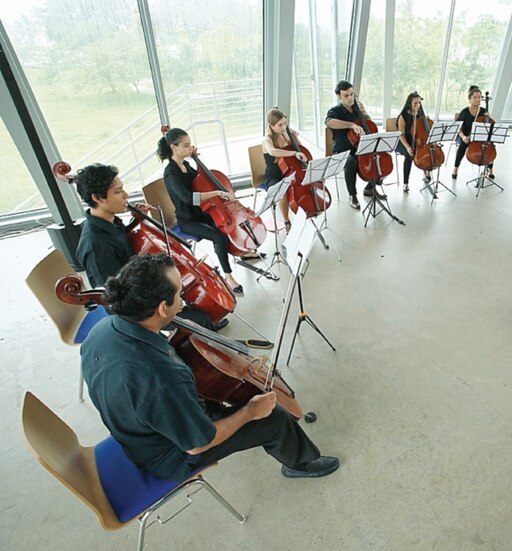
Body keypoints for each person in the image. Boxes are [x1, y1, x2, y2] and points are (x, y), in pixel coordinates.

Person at [81, 254, 339, 482]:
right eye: (179, 295)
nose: (183, 301)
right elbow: (197, 445)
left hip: (133, 426)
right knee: (274, 417)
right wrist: (250, 412)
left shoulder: (102, 329)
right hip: (169, 453)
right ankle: (301, 464)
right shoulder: (162, 377)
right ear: (161, 308)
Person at [73, 163, 271, 347]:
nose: (126, 195)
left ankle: (205, 328)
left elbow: (131, 251)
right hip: (136, 308)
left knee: (202, 311)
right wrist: (163, 303)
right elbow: (115, 301)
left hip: (143, 283)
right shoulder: (95, 245)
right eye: (118, 192)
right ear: (98, 198)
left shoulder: (111, 222)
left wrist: (138, 221)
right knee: (200, 318)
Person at [158, 128, 263, 294]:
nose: (190, 148)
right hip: (188, 220)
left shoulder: (185, 164)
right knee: (219, 237)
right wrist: (217, 193)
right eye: (186, 145)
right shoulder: (171, 174)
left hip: (201, 213)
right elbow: (188, 198)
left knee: (227, 226)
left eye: (190, 144)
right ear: (173, 147)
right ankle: (228, 277)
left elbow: (200, 181)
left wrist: (196, 160)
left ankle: (243, 251)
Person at [325, 80, 384, 210]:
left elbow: (369, 124)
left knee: (381, 159)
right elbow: (329, 122)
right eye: (346, 95)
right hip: (343, 150)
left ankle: (370, 188)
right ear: (338, 96)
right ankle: (352, 196)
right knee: (351, 161)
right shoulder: (335, 111)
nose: (350, 98)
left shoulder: (357, 109)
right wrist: (351, 125)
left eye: (351, 94)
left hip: (360, 147)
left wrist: (364, 113)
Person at [261, 108, 308, 230]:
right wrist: (293, 153)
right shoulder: (267, 139)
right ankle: (287, 221)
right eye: (280, 125)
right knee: (282, 193)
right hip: (274, 175)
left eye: (285, 123)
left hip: (290, 171)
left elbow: (301, 150)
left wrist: (295, 138)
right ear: (271, 125)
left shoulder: (285, 135)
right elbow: (272, 151)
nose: (283, 127)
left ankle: (305, 214)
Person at [452, 85, 495, 181]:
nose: (477, 99)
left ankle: (490, 170)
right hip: (466, 136)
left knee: (489, 146)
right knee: (463, 145)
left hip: (479, 137)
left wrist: (489, 117)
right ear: (470, 99)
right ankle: (455, 168)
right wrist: (463, 137)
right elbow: (458, 128)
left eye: (479, 97)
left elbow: (490, 126)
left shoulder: (483, 111)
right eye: (475, 97)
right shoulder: (465, 112)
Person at [396, 92, 432, 193]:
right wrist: (408, 147)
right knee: (409, 155)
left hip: (416, 140)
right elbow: (401, 135)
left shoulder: (420, 115)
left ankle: (426, 171)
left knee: (426, 151)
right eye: (415, 103)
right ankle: (405, 183)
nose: (417, 105)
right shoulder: (403, 116)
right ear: (409, 104)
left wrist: (426, 122)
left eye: (419, 103)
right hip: (403, 141)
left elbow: (423, 131)